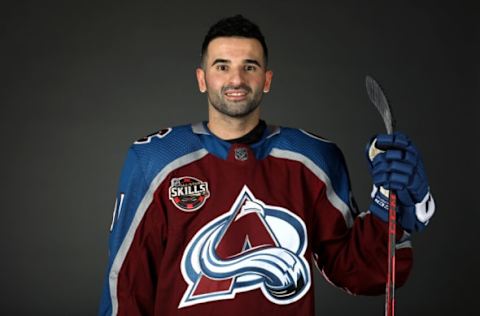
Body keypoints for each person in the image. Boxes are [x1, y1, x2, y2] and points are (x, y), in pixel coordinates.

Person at [98, 15, 435, 316]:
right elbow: (127, 285)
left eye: (250, 66)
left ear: (267, 79)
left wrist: (388, 206)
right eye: (222, 66)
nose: (236, 79)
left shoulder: (313, 158)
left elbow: (358, 271)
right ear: (202, 79)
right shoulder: (156, 159)